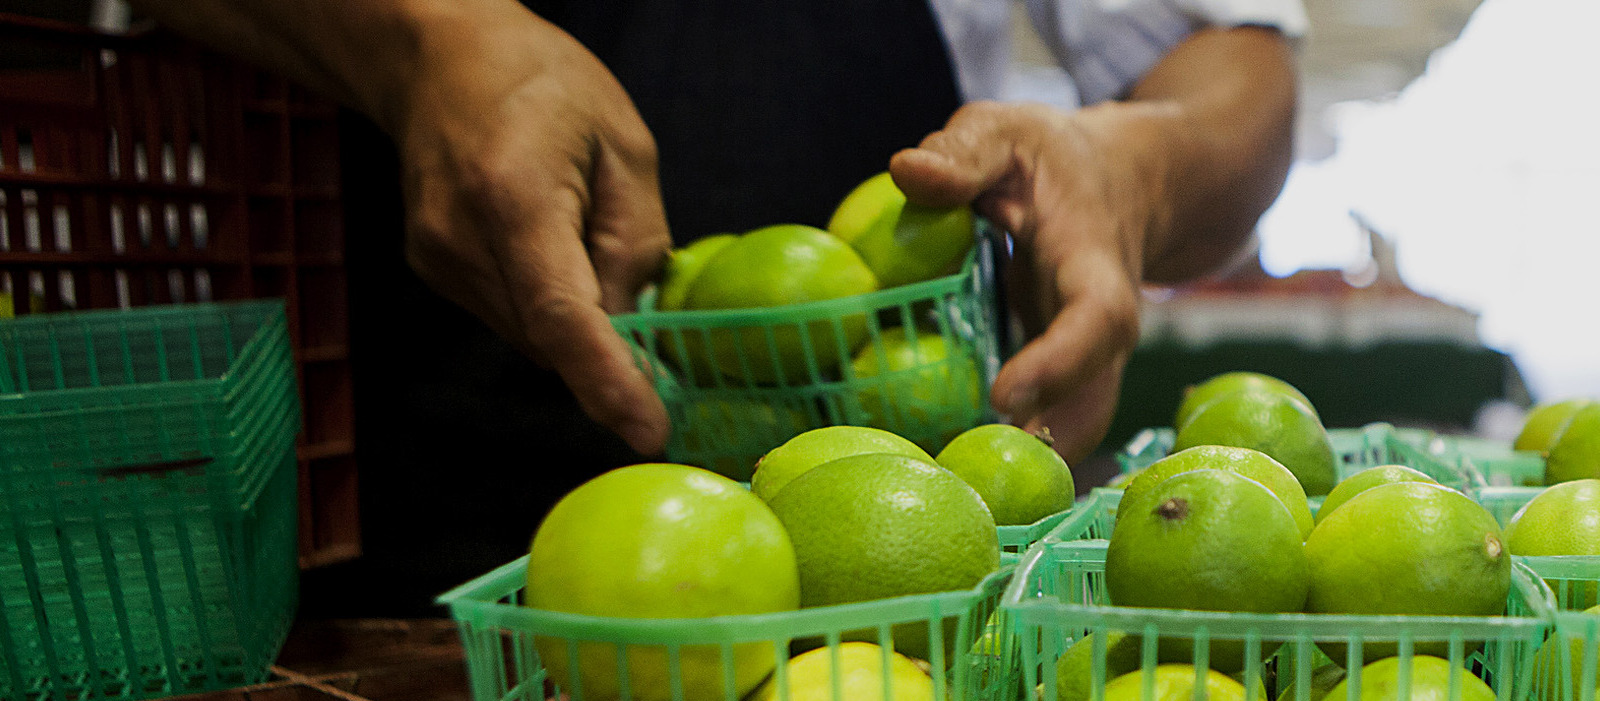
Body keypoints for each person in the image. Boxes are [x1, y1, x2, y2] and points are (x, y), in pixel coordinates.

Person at [124, 0, 1305, 607]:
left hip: (899, 588)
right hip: (388, 559)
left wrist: (1132, 166)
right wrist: (417, 38)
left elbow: (1235, 68)